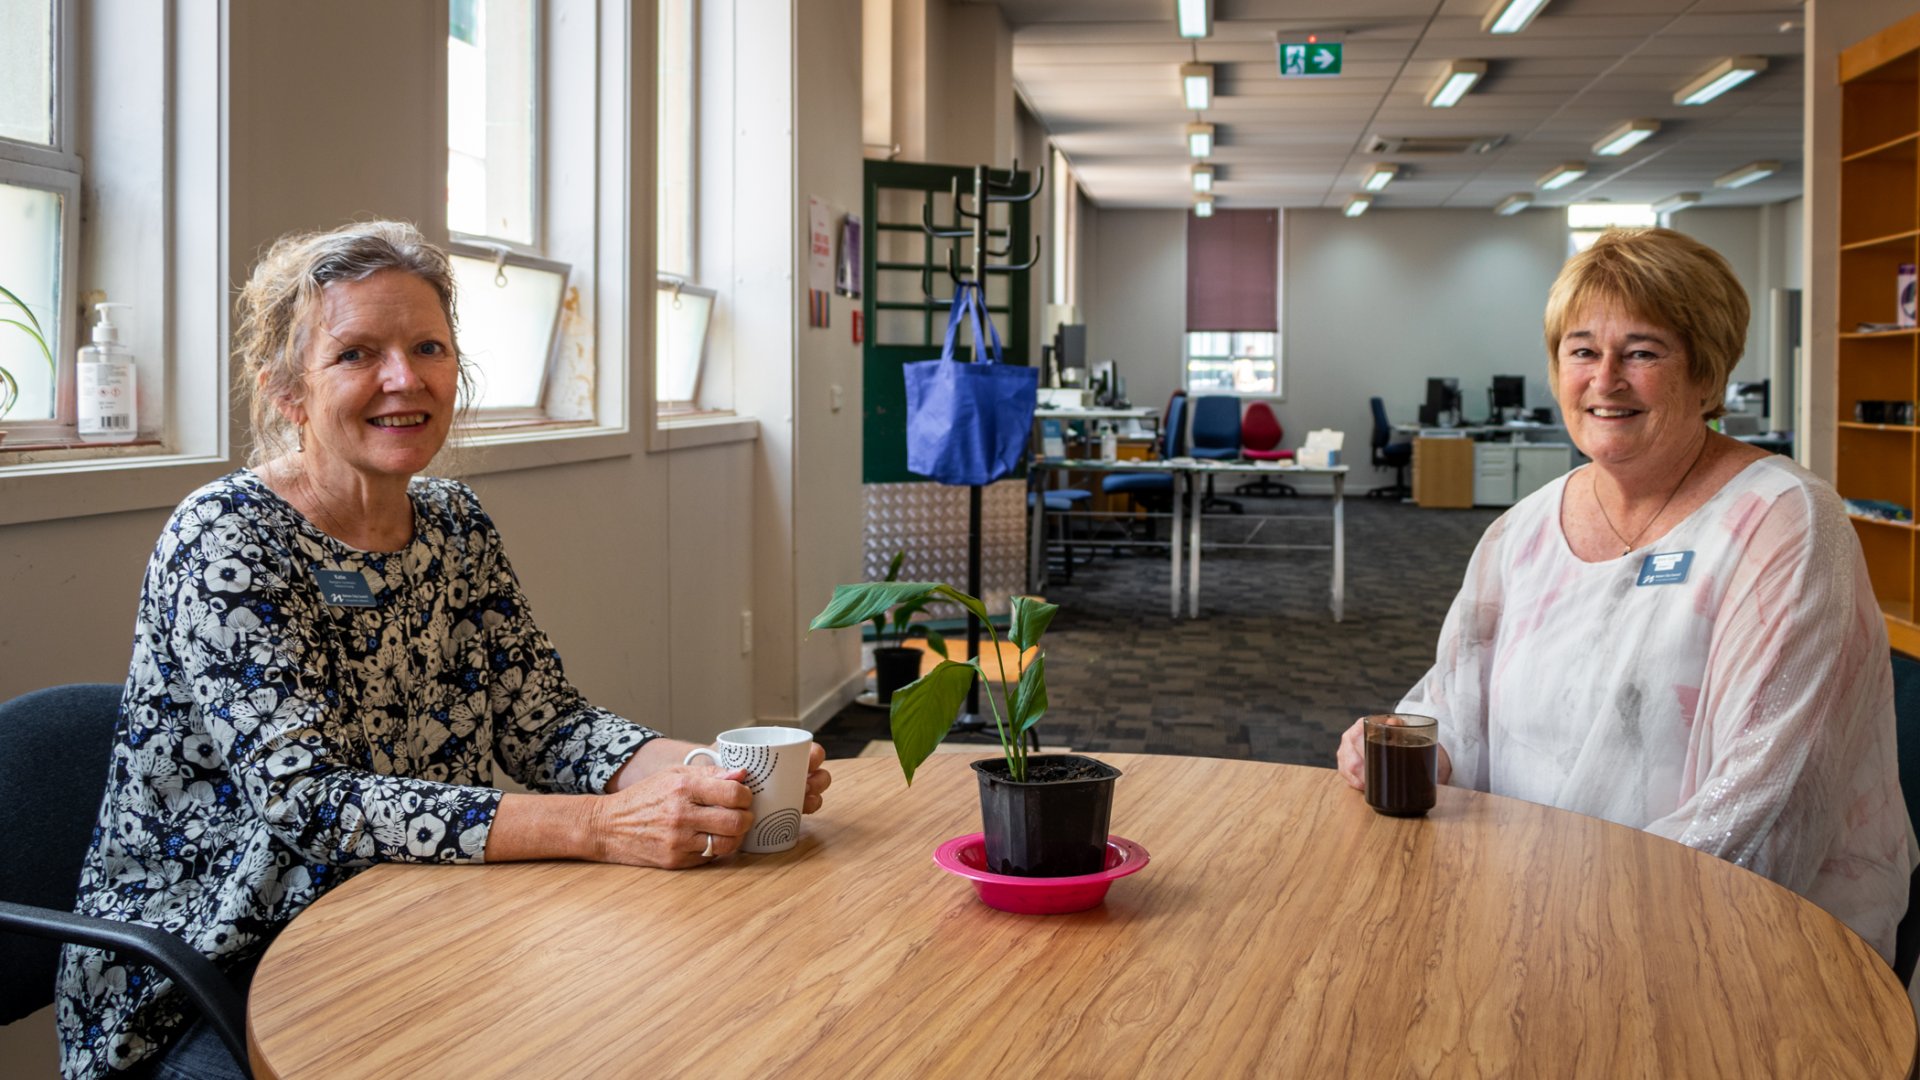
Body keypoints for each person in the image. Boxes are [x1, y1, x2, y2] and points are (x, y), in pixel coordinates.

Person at [55, 221, 832, 1079]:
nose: (405, 379)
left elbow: (547, 725)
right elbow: (309, 803)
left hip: (412, 913)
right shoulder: (226, 537)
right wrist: (603, 827)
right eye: (356, 353)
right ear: (287, 391)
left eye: (428, 346)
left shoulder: (455, 523)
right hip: (213, 966)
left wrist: (713, 770)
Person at [1336, 227, 1918, 963]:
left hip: (1728, 942)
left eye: (1642, 352)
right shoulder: (1522, 531)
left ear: (1707, 374)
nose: (1605, 379)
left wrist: (1575, 921)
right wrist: (1407, 741)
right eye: (1582, 351)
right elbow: (1455, 703)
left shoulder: (1782, 523)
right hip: (1523, 914)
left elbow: (1763, 809)